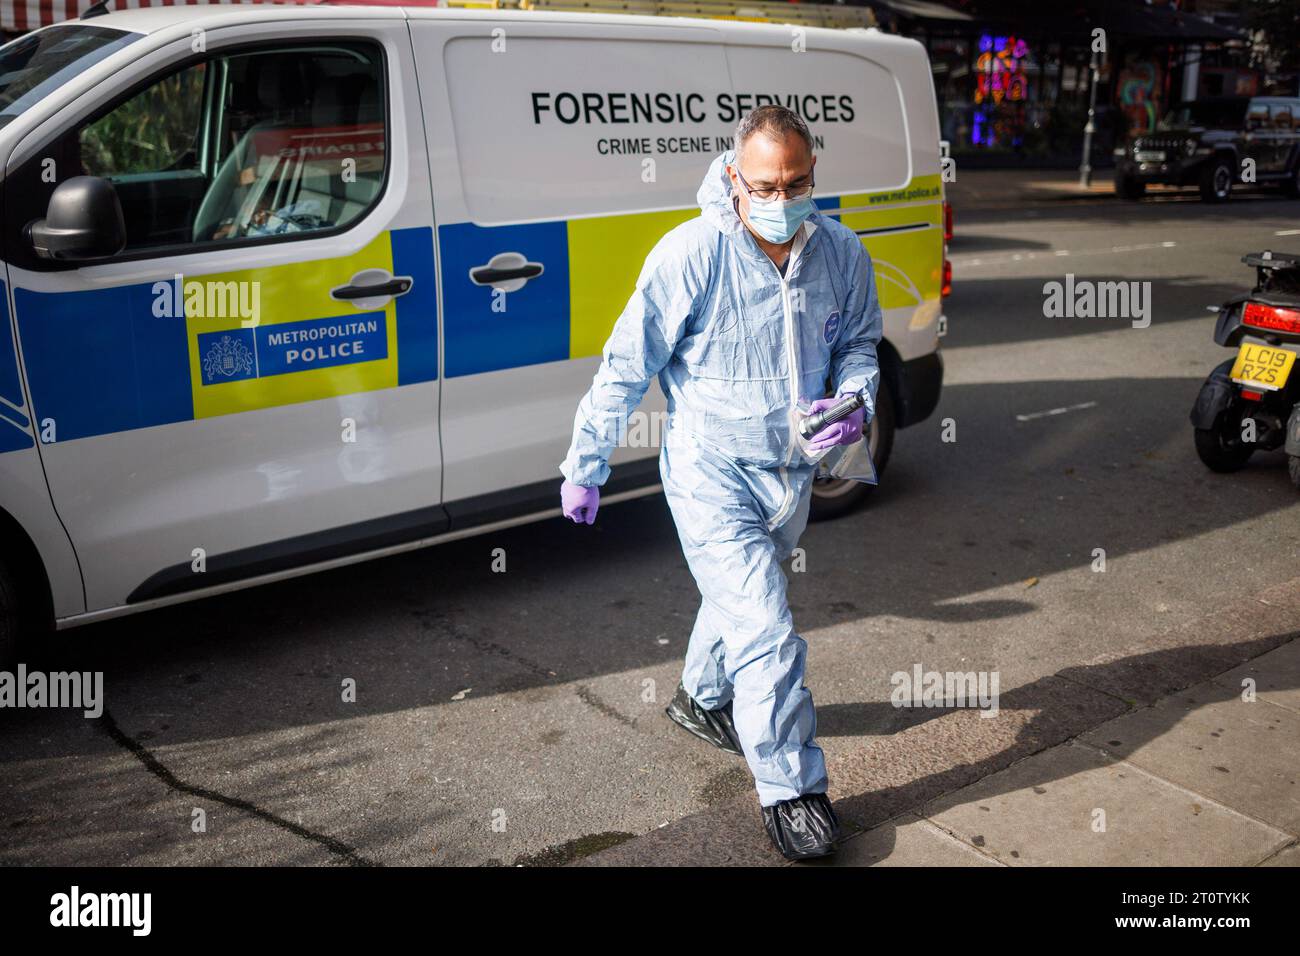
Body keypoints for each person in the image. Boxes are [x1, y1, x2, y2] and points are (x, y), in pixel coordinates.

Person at [559, 105, 882, 860]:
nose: (780, 198)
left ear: (813, 175)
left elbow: (862, 344)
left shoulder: (842, 253)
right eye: (764, 184)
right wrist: (586, 464)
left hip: (791, 470)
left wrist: (856, 400)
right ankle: (791, 789)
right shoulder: (690, 254)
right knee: (766, 629)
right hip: (710, 470)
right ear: (734, 175)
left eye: (796, 182)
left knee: (741, 596)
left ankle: (702, 698)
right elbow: (626, 366)